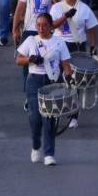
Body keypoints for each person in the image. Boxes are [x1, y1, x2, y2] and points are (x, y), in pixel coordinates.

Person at [15, 11, 74, 166]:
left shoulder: (59, 42)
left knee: (49, 118)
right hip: (34, 81)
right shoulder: (31, 41)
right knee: (35, 118)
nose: (41, 28)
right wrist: (30, 59)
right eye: (39, 25)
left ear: (51, 26)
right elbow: (18, 59)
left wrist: (69, 79)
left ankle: (49, 154)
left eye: (45, 25)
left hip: (52, 82)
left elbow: (66, 64)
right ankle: (36, 146)